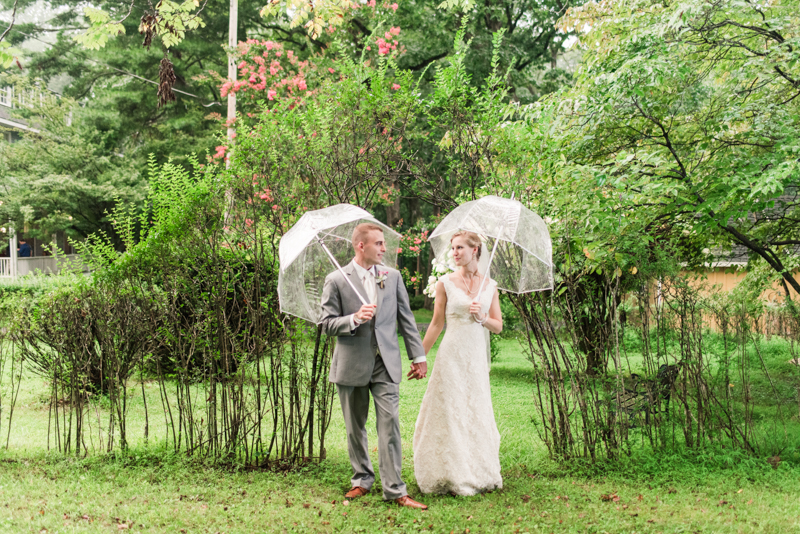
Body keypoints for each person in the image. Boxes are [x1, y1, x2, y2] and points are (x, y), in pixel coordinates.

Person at [320, 223, 429, 510]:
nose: (384, 249)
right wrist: (354, 319)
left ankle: (395, 489)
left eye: (383, 243)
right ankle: (362, 480)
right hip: (351, 365)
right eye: (379, 244)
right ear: (361, 246)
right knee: (355, 428)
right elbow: (326, 325)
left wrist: (418, 356)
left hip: (386, 363)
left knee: (389, 424)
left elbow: (406, 317)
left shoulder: (391, 277)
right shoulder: (336, 279)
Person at [413, 230, 504, 496]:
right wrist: (421, 357)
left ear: (475, 250)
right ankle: (451, 473)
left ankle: (477, 470)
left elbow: (498, 326)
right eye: (453, 248)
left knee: (474, 409)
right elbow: (436, 324)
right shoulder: (445, 283)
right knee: (451, 409)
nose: (454, 252)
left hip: (475, 358)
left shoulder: (491, 286)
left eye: (460, 248)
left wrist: (483, 317)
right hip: (451, 355)